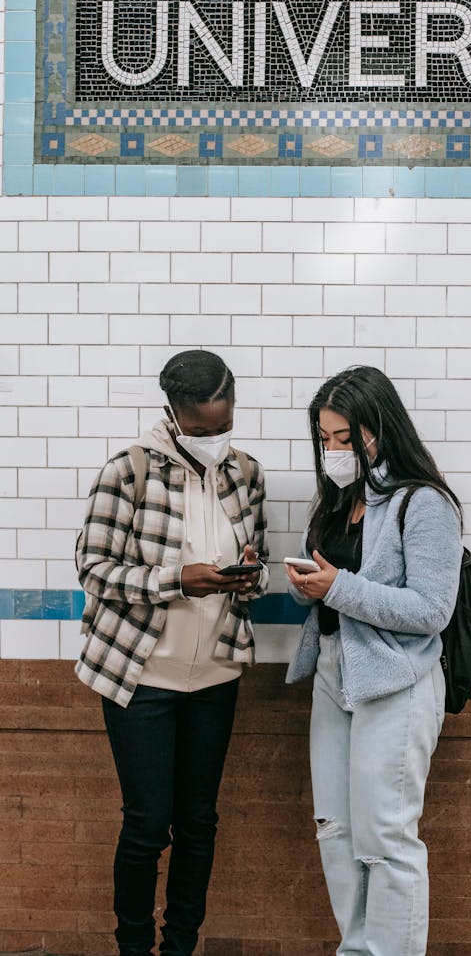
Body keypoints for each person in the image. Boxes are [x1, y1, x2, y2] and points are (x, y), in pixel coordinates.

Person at [75, 349, 269, 956]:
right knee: (145, 825)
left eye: (224, 426)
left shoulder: (246, 473)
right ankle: (133, 948)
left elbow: (254, 569)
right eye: (203, 429)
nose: (217, 438)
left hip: (215, 674)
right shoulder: (127, 471)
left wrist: (249, 577)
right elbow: (93, 569)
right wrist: (177, 580)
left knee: (198, 823)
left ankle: (180, 945)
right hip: (141, 677)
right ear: (173, 413)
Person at [285, 365, 463, 956]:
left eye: (345, 437)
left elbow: (432, 609)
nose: (334, 450)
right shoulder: (341, 500)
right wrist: (307, 583)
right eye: (325, 438)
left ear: (380, 428)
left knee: (386, 836)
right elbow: (338, 585)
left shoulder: (425, 503)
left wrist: (336, 588)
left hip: (397, 682)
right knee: (336, 831)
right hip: (335, 675)